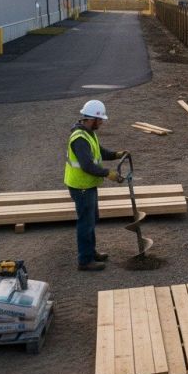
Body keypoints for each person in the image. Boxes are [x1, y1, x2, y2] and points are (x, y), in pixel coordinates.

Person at [64, 100, 127, 271]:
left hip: (88, 185)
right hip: (81, 186)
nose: (101, 123)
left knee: (92, 219)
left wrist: (116, 154)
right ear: (91, 119)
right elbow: (87, 166)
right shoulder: (79, 139)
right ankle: (85, 261)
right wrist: (109, 174)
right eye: (100, 120)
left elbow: (99, 152)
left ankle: (90, 252)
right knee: (86, 222)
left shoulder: (88, 133)